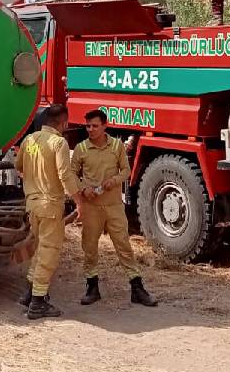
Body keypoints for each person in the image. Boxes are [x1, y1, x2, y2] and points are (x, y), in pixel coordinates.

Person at [71, 109, 158, 307]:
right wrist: (83, 189)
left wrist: (115, 180)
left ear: (105, 126)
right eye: (88, 126)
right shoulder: (81, 148)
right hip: (92, 207)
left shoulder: (117, 146)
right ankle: (92, 288)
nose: (90, 129)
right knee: (89, 247)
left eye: (95, 126)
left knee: (123, 246)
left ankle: (137, 288)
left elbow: (126, 170)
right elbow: (72, 173)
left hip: (114, 206)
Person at [14, 104, 86, 319]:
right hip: (50, 206)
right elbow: (65, 175)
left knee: (40, 249)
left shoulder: (29, 140)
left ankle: (29, 293)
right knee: (49, 253)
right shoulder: (58, 143)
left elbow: (19, 166)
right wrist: (79, 202)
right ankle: (38, 303)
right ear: (64, 123)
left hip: (32, 205)